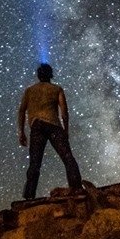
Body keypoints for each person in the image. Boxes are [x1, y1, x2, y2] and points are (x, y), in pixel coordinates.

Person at [17, 63, 84, 200]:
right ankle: (76, 187)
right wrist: (66, 130)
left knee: (35, 162)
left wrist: (22, 132)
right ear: (50, 75)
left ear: (38, 75)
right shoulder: (57, 89)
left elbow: (22, 111)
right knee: (67, 157)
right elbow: (64, 112)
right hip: (53, 124)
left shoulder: (29, 91)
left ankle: (29, 196)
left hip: (36, 125)